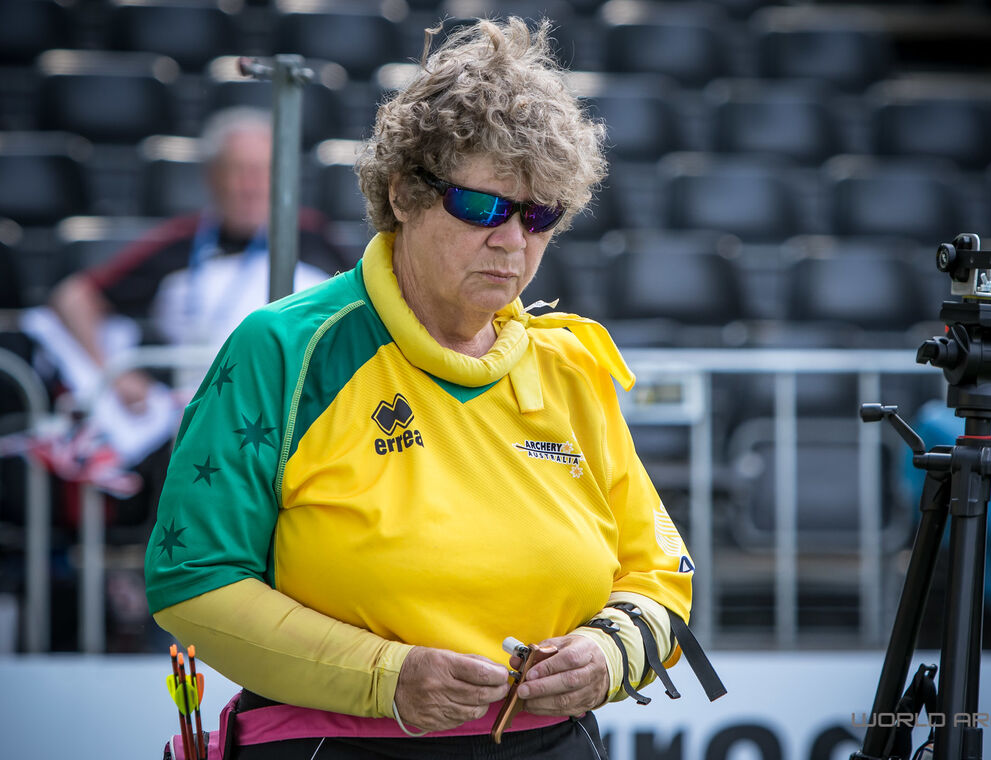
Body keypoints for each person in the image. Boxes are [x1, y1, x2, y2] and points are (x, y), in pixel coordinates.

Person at [145, 18, 714, 759]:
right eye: (482, 207)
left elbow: (662, 573)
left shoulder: (570, 365)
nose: (512, 240)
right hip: (339, 745)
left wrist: (610, 653)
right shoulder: (283, 348)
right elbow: (192, 581)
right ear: (403, 194)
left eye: (540, 215)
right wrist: (387, 676)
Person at [48, 106, 351, 413]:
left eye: (263, 170)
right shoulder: (181, 241)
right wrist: (114, 375)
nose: (252, 186)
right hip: (199, 413)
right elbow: (74, 297)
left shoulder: (314, 237)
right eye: (238, 170)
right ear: (212, 177)